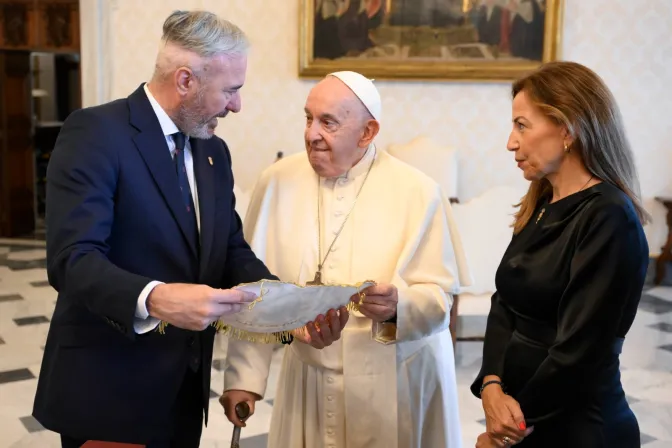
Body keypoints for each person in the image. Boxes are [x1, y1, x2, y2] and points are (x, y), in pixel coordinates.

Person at [32, 10, 280, 448]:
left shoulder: (213, 152)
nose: (237, 105)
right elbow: (72, 260)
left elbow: (229, 250)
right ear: (185, 81)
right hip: (109, 392)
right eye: (231, 90)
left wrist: (286, 304)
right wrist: (157, 298)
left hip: (184, 391)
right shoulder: (95, 132)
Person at [220, 71, 472, 448]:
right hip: (309, 379)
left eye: (328, 122)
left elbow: (440, 300)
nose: (310, 133)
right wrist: (244, 380)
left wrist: (396, 308)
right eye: (308, 118)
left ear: (367, 132)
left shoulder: (418, 192)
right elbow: (255, 291)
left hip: (393, 380)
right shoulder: (277, 181)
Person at [471, 61, 650, 448]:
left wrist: (507, 433)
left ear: (568, 129)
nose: (510, 142)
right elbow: (505, 302)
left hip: (574, 427)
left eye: (522, 125)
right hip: (524, 416)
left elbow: (580, 350)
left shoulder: (608, 216)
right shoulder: (541, 201)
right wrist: (491, 384)